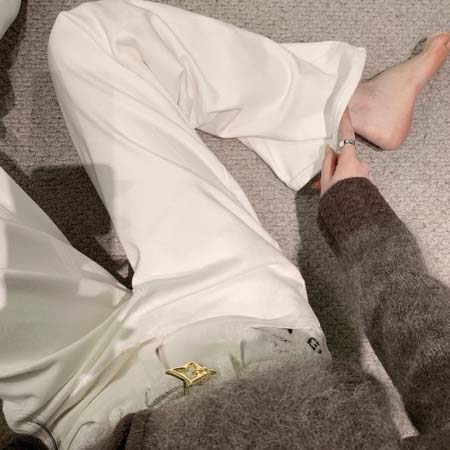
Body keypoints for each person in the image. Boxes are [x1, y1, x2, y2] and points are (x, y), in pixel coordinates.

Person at [1, 1, 449, 449]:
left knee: (99, 39)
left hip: (79, 410)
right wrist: (355, 211)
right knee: (98, 38)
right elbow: (437, 358)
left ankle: (334, 109)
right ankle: (341, 110)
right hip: (246, 338)